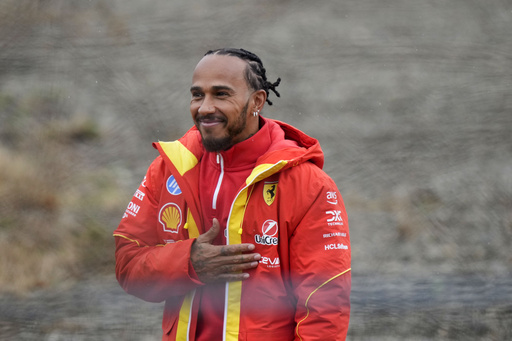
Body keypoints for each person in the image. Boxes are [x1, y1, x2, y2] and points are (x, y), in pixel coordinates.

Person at [113, 48, 351, 341]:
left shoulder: (310, 185)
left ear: (257, 102)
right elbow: (128, 268)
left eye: (221, 94)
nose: (204, 108)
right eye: (197, 95)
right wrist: (189, 263)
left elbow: (325, 307)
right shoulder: (168, 169)